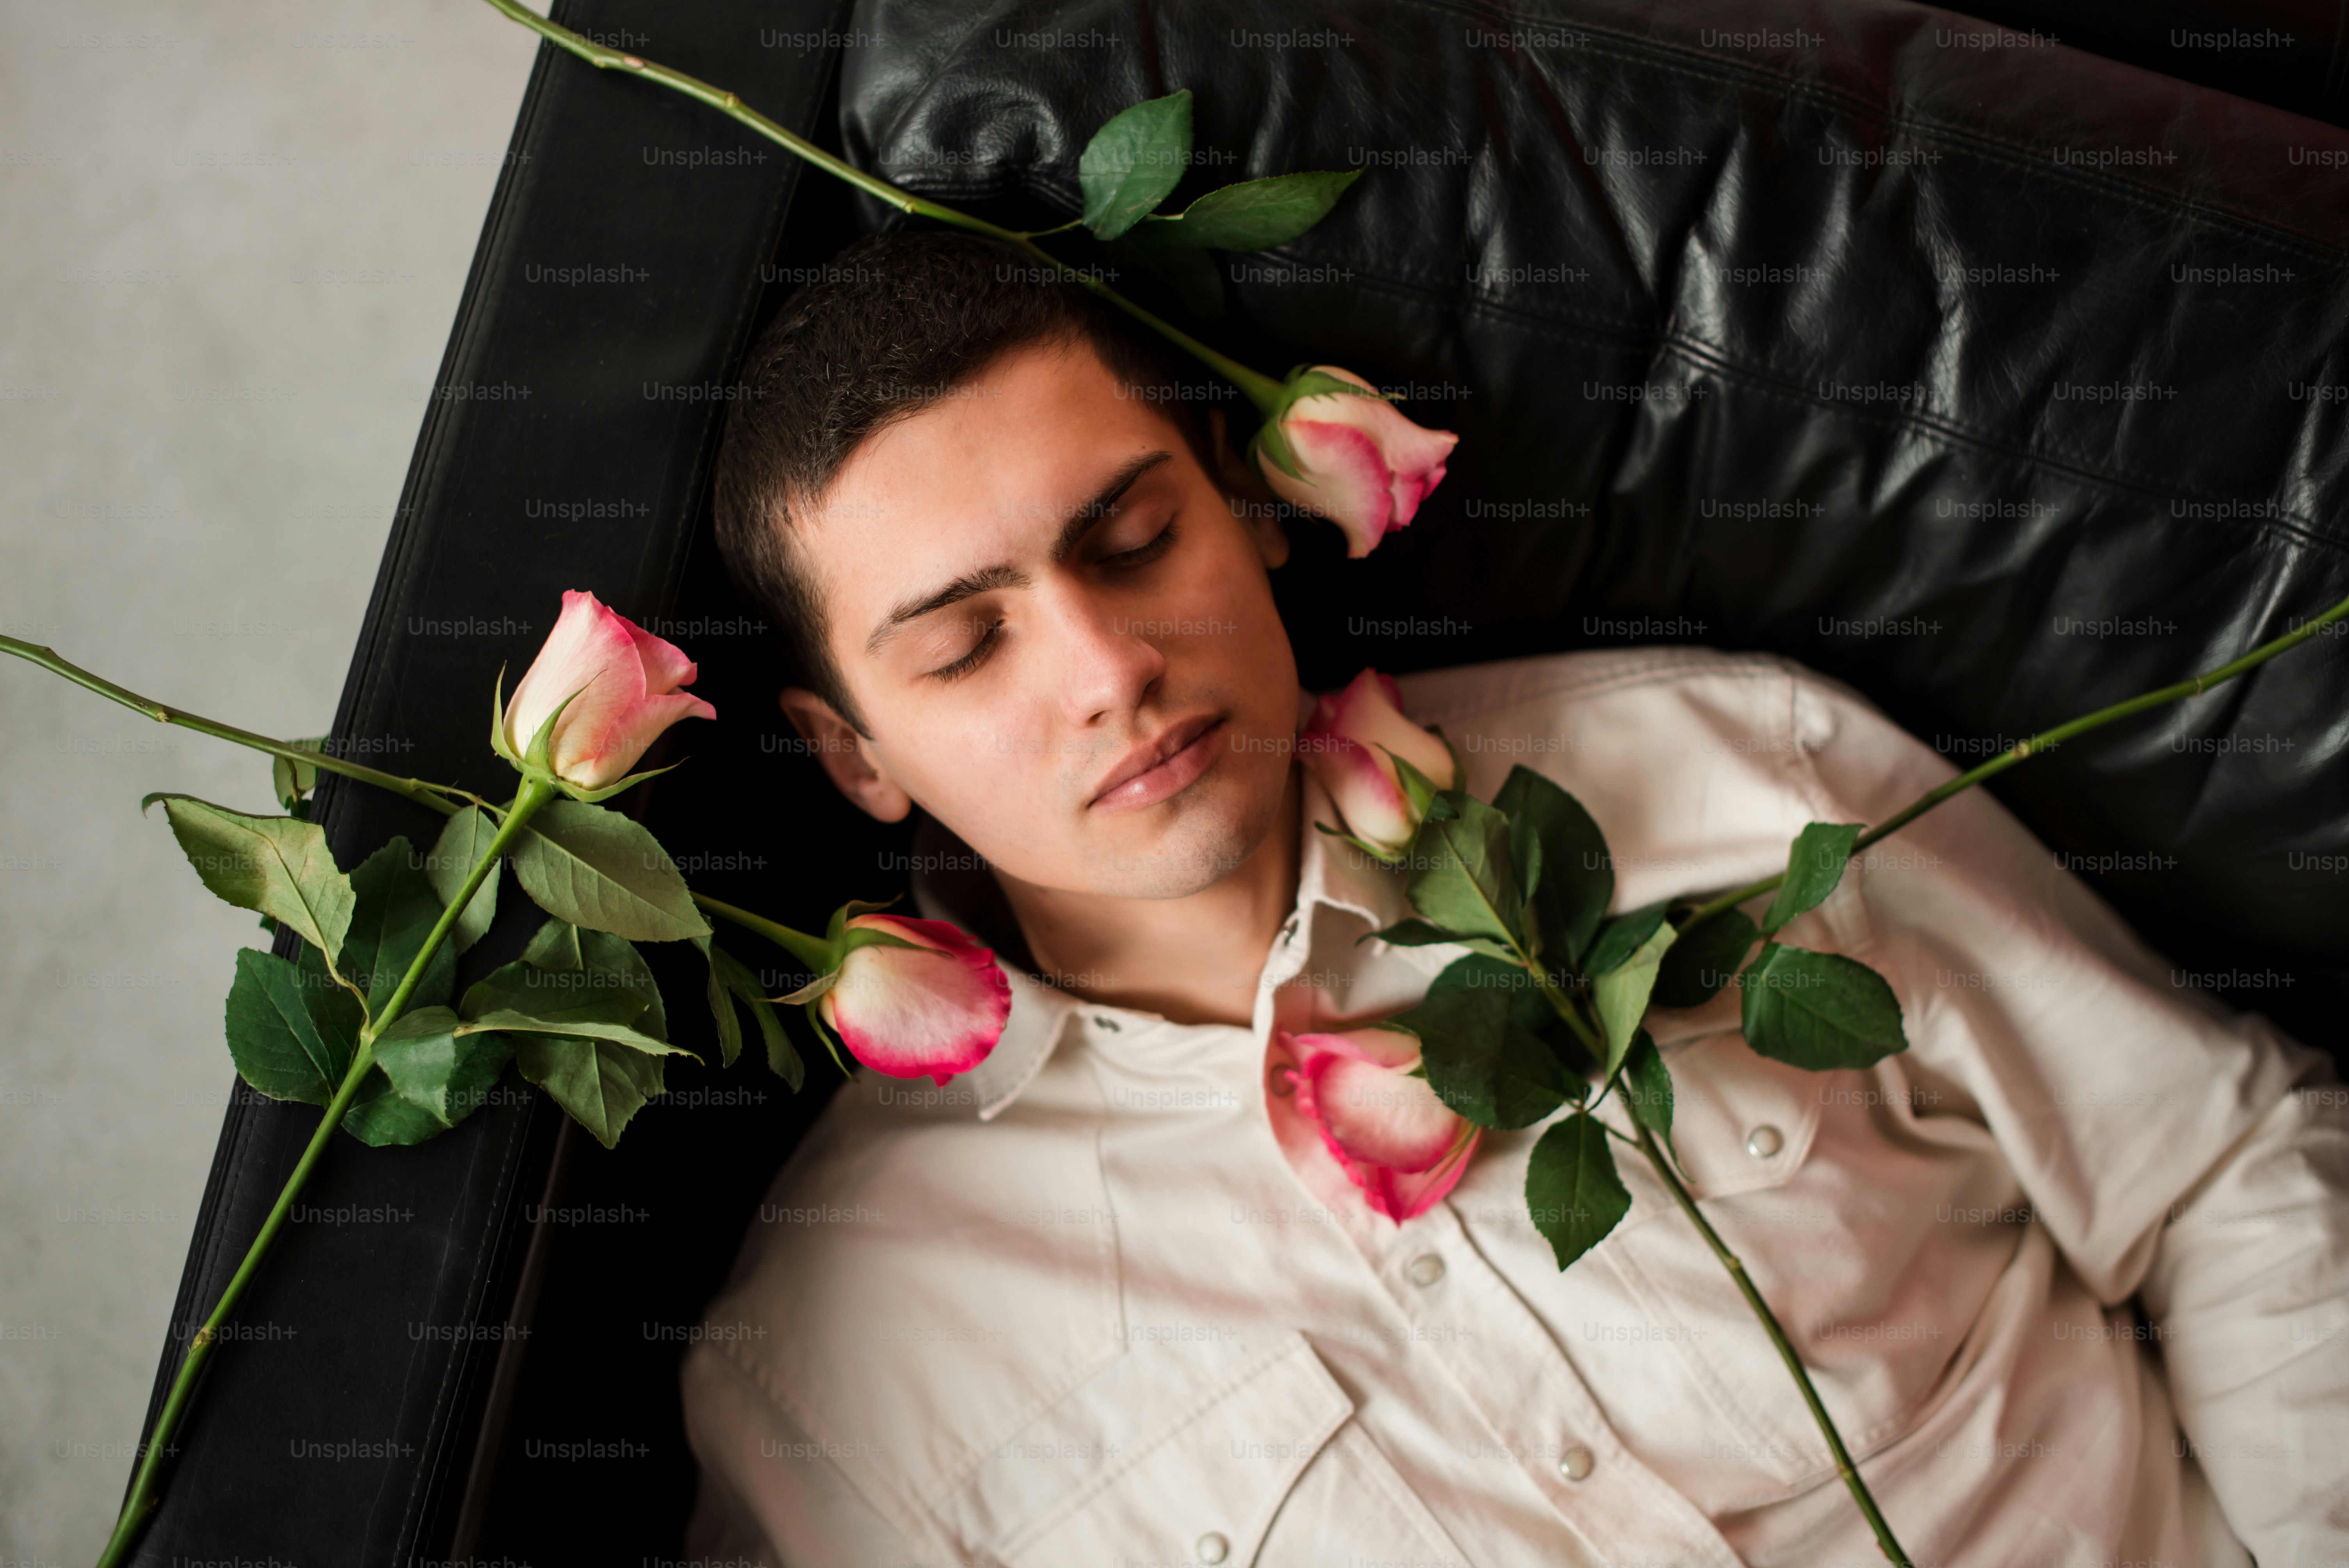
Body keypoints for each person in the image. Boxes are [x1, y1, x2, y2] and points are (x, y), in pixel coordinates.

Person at [677, 228, 2349, 1566]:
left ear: (1249, 505)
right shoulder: (842, 1364)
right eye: (967, 646)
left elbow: (2222, 1166)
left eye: (1130, 539)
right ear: (852, 752)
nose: (1107, 668)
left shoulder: (1725, 775)